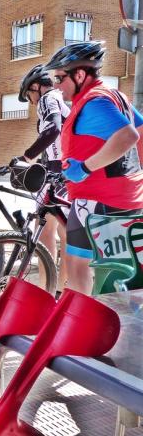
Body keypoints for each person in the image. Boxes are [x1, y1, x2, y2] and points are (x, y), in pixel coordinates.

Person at [43, 41, 143, 294]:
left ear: (79, 75)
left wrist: (85, 168)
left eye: (60, 78)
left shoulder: (94, 101)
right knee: (116, 271)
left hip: (96, 200)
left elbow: (128, 136)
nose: (56, 85)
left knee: (78, 266)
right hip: (125, 197)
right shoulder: (115, 95)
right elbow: (141, 130)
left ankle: (85, 316)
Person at [13, 64, 70, 295]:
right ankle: (58, 291)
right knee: (61, 234)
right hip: (62, 171)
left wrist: (26, 157)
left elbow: (53, 130)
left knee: (48, 232)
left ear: (36, 87)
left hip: (59, 173)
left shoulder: (48, 99)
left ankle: (47, 292)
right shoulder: (60, 98)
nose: (30, 101)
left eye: (29, 95)